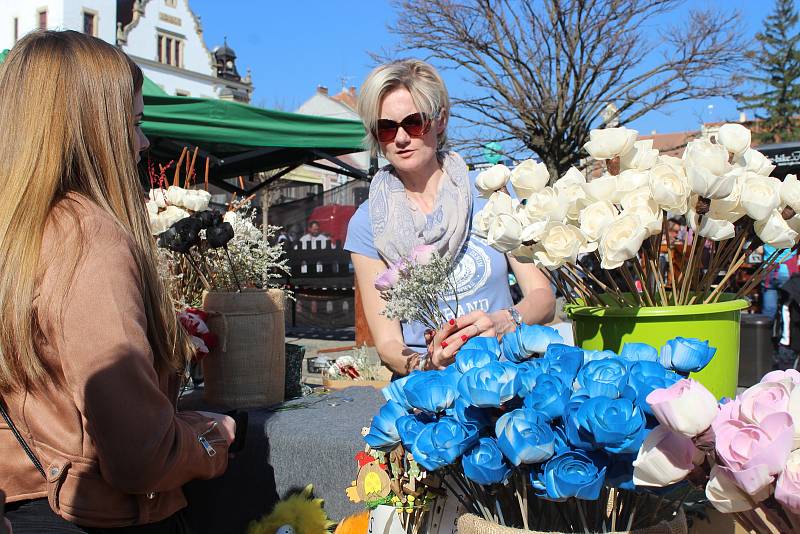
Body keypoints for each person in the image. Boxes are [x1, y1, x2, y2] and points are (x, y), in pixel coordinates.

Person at [0, 31, 234, 532]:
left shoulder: (18, 232)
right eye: (133, 122)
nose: (143, 141)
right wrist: (213, 437)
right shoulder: (88, 238)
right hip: (95, 514)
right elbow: (140, 454)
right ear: (91, 129)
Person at [345, 59, 555, 377]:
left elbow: (542, 297)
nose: (400, 138)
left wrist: (504, 320)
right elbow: (388, 343)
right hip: (431, 388)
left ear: (440, 120)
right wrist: (425, 363)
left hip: (509, 371)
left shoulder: (489, 194)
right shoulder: (366, 222)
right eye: (386, 128)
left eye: (414, 123)